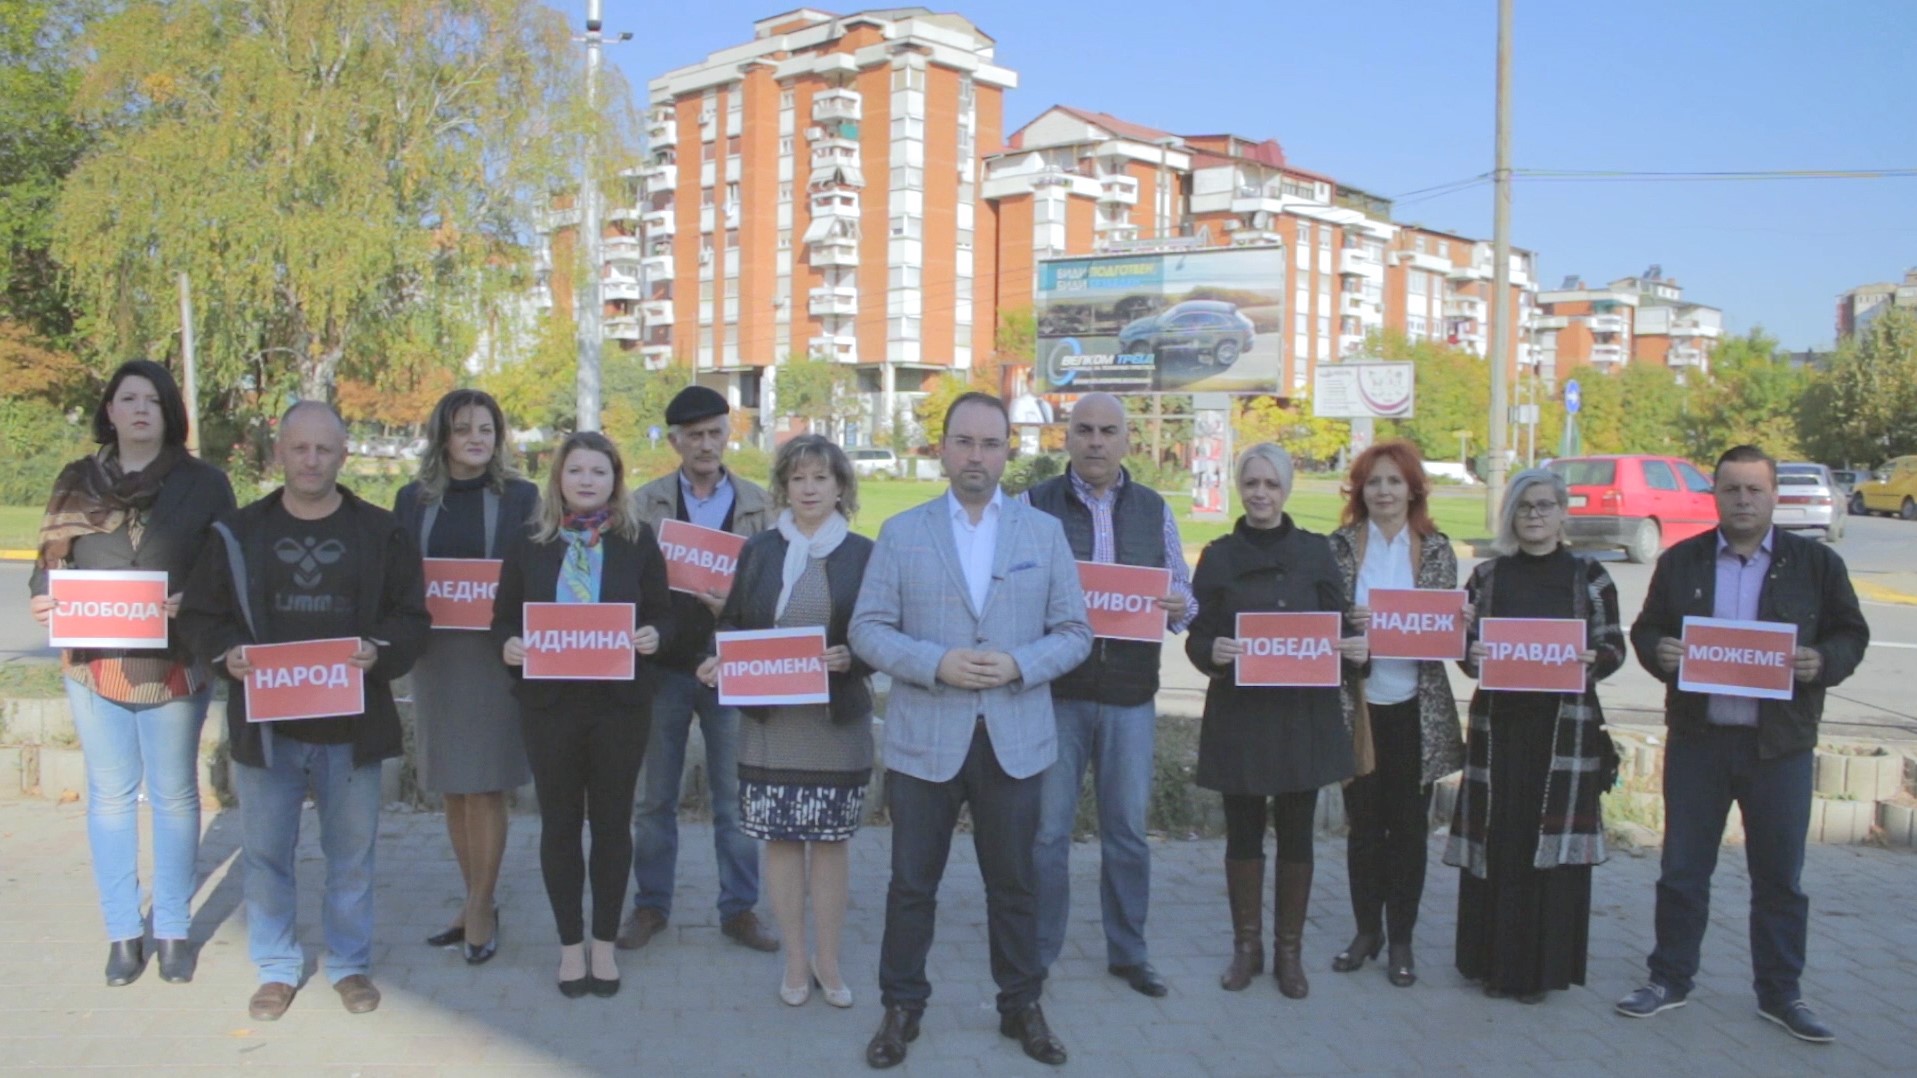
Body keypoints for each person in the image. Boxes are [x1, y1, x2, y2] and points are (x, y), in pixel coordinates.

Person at [850, 392, 1092, 1069]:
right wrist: (934, 663)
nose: (976, 456)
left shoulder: (1041, 534)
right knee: (910, 885)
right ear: (942, 447)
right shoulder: (902, 531)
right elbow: (866, 628)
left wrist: (1018, 662)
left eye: (989, 443)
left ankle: (1021, 1004)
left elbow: (1075, 631)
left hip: (1013, 737)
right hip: (925, 738)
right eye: (963, 441)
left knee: (1015, 884)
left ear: (1007, 450)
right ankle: (901, 1007)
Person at [178, 401, 431, 1021]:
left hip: (352, 727)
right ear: (279, 454)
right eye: (299, 448)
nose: (311, 460)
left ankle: (348, 965)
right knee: (266, 853)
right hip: (267, 727)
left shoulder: (380, 532)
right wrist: (223, 655)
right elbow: (200, 618)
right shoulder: (238, 534)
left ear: (343, 453)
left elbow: (412, 617)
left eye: (324, 449)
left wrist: (380, 651)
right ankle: (277, 966)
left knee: (352, 854)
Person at [1616, 445, 1869, 1043]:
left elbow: (1851, 634)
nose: (1744, 500)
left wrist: (1821, 661)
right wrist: (1660, 654)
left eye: (1755, 489)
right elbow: (1647, 627)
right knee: (1682, 870)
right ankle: (1669, 979)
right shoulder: (1682, 562)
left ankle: (1781, 994)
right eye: (1732, 489)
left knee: (1780, 877)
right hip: (1700, 743)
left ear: (1774, 495)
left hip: (1778, 747)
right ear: (1716, 496)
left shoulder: (1815, 565)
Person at [28, 359, 237, 987]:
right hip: (95, 666)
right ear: (111, 410)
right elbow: (50, 562)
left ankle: (172, 929)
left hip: (174, 661)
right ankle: (123, 932)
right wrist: (44, 595)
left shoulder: (205, 483)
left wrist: (194, 600)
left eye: (152, 398)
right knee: (111, 797)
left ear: (169, 411)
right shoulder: (76, 480)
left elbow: (227, 564)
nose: (140, 408)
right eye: (128, 398)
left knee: (175, 795)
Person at [1022, 392, 1195, 998]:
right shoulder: (1034, 504)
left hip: (1128, 696)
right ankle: (1038, 953)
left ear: (1127, 441)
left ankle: (1128, 951)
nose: (1096, 441)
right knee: (1048, 832)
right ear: (1066, 438)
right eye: (1084, 430)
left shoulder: (1155, 509)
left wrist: (1179, 605)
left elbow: (1184, 599)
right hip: (1057, 693)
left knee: (1126, 830)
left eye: (1108, 431)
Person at [695, 434, 875, 1008]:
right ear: (784, 488)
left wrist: (853, 656)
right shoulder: (761, 551)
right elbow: (738, 624)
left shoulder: (865, 554)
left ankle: (828, 958)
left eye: (821, 478)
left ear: (841, 486)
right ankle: (795, 960)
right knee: (779, 840)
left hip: (834, 724)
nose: (809, 489)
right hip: (772, 725)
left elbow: (880, 630)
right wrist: (722, 658)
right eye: (798, 479)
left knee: (828, 843)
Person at [493, 432, 675, 998]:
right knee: (561, 826)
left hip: (619, 707)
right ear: (559, 479)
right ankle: (570, 947)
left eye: (600, 471)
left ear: (615, 481)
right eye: (578, 470)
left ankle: (603, 944)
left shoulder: (637, 540)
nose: (589, 480)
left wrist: (654, 634)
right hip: (551, 707)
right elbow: (503, 619)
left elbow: (667, 613)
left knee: (614, 825)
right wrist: (510, 646)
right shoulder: (529, 542)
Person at [1185, 442, 1365, 1000]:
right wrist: (1209, 651)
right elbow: (1197, 633)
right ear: (1241, 488)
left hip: (1300, 715)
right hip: (1241, 713)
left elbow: (1341, 629)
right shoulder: (1217, 556)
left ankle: (1289, 952)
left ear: (1286, 490)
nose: (1260, 494)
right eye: (1252, 484)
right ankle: (1247, 948)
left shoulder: (1316, 553)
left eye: (1271, 484)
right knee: (1241, 834)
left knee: (1296, 833)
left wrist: (1357, 649)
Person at [1444, 467, 1622, 1004]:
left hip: (1563, 733)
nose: (1535, 516)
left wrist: (1597, 660)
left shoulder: (1591, 577)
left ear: (1563, 513)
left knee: (1550, 848)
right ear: (1511, 515)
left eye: (1545, 506)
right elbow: (1465, 647)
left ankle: (1541, 972)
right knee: (1501, 840)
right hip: (1501, 730)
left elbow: (1614, 644)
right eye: (1525, 507)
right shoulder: (1487, 578)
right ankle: (1492, 965)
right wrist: (1467, 653)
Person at [621, 385, 777, 953]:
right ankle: (650, 906)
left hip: (732, 667)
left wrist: (731, 607)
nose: (707, 445)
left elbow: (777, 591)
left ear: (728, 434)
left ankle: (739, 909)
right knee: (653, 798)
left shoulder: (760, 503)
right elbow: (626, 582)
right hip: (664, 668)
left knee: (734, 800)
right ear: (675, 441)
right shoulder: (644, 502)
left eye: (716, 433)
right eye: (695, 436)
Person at [393, 389, 538, 965]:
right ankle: (474, 896)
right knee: (453, 784)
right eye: (463, 429)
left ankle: (480, 905)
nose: (476, 438)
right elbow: (400, 573)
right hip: (438, 658)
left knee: (487, 784)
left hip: (495, 657)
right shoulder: (413, 499)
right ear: (443, 438)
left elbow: (538, 568)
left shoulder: (523, 497)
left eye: (486, 428)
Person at [1326, 441, 1465, 988]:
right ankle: (1366, 931)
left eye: (1393, 482)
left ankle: (1401, 937)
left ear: (1413, 490)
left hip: (1415, 709)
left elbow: (1440, 629)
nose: (1383, 491)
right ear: (1359, 490)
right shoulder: (1338, 547)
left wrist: (1457, 622)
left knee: (1408, 830)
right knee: (1363, 829)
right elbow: (1324, 620)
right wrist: (1349, 628)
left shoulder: (1434, 549)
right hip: (1357, 708)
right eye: (1373, 482)